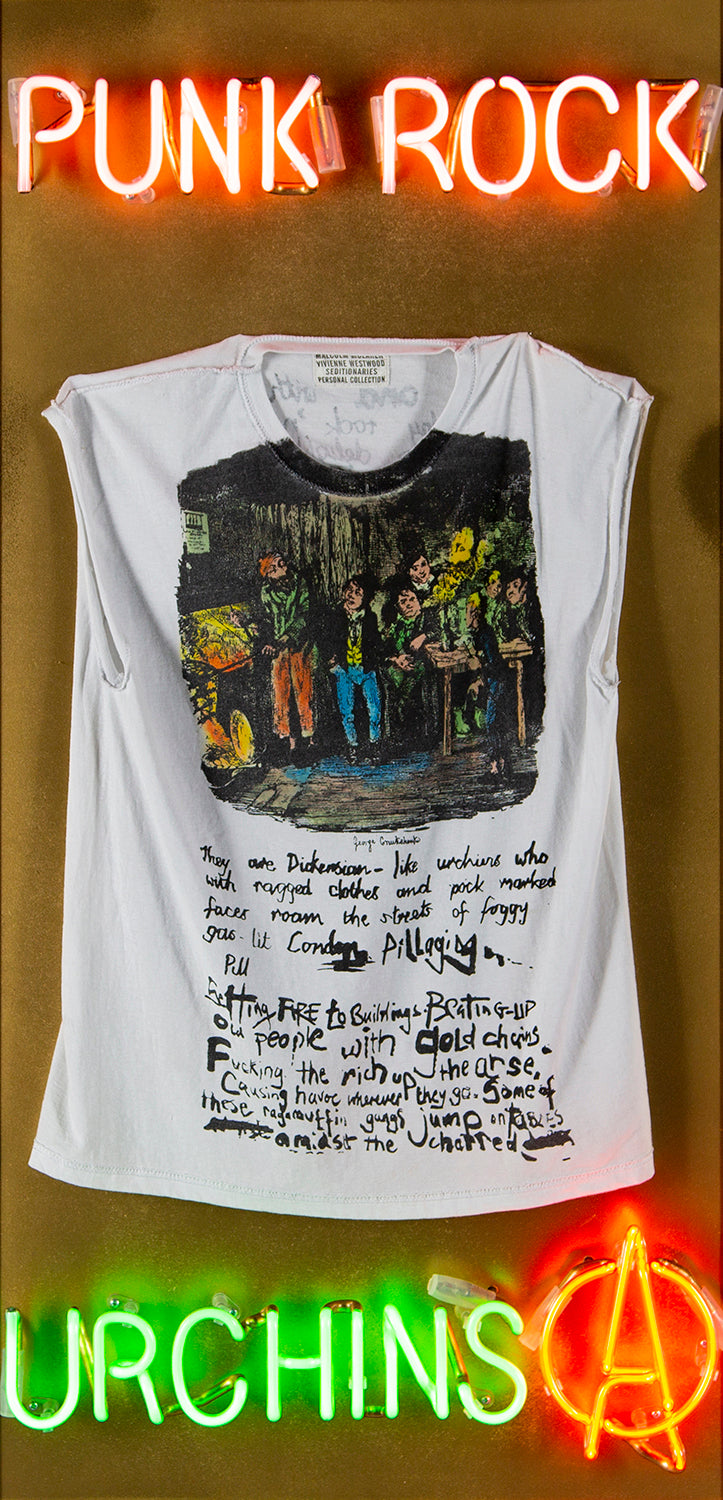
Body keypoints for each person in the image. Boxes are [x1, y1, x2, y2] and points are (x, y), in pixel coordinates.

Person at [258, 552, 315, 760]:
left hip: (301, 645)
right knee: (281, 694)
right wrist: (268, 640)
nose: (282, 567)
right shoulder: (266, 593)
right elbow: (265, 620)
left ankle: (310, 740)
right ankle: (290, 742)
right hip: (279, 649)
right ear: (269, 574)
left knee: (304, 692)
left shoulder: (300, 584)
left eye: (281, 563)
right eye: (275, 567)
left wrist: (287, 636)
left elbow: (305, 614)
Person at [327, 574, 382, 764]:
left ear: (365, 598)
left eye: (358, 592)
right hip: (345, 669)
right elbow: (328, 641)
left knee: (374, 709)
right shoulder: (335, 617)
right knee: (346, 710)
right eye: (349, 590)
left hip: (365, 669)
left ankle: (374, 744)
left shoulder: (370, 618)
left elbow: (375, 644)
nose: (352, 595)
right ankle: (353, 746)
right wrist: (333, 661)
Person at [464, 592, 513, 776]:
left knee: (493, 722)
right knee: (493, 722)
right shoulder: (479, 634)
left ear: (475, 613)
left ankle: (498, 765)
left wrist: (480, 664)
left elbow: (494, 663)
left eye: (468, 611)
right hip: (491, 680)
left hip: (497, 681)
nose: (465, 616)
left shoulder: (486, 634)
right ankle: (499, 764)